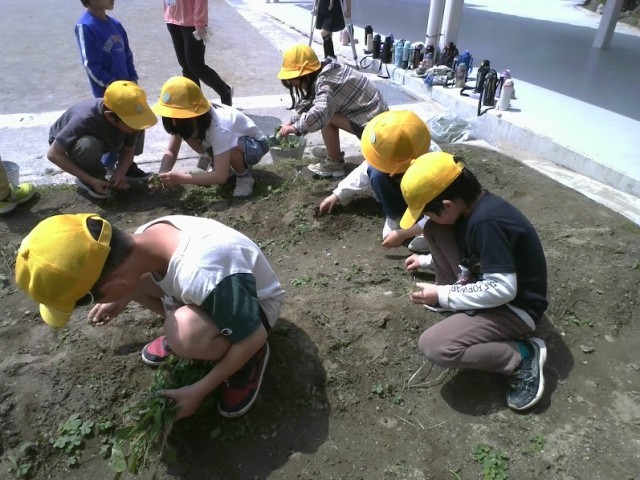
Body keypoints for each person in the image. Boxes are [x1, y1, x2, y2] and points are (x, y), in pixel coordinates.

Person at [15, 213, 286, 420]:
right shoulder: (143, 237)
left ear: (116, 283)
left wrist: (198, 390)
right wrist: (122, 297)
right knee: (143, 287)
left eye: (91, 299)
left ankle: (248, 357)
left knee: (186, 335)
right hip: (217, 291)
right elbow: (131, 278)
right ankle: (191, 329)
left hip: (256, 311)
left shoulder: (203, 273)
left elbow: (253, 334)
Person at [400, 152, 548, 411]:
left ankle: (521, 355)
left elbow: (502, 289)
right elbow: (473, 254)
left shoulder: (487, 223)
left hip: (515, 307)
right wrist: (425, 261)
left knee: (435, 346)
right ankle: (455, 299)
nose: (427, 218)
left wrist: (442, 294)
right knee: (435, 230)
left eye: (428, 212)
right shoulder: (469, 209)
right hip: (490, 285)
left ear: (447, 205)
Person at [317, 110, 433, 249]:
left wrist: (405, 234)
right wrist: (337, 194)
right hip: (402, 191)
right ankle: (395, 214)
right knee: (376, 172)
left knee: (433, 226)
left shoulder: (435, 167)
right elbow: (364, 171)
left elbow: (443, 208)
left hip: (427, 202)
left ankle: (425, 227)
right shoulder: (396, 149)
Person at [277, 44, 388, 179]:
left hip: (377, 131)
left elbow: (320, 112)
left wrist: (296, 128)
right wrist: (290, 122)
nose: (293, 84)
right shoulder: (326, 69)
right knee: (327, 112)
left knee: (327, 116)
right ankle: (333, 154)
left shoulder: (326, 82)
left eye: (294, 81)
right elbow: (310, 100)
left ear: (305, 75)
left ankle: (335, 164)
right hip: (376, 121)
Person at [153, 76, 269, 197]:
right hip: (228, 142)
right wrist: (163, 174)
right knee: (188, 135)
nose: (173, 123)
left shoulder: (220, 129)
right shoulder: (186, 121)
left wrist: (182, 178)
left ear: (192, 116)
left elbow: (220, 177)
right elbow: (171, 151)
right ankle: (220, 165)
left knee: (230, 147)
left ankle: (244, 177)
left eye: (177, 119)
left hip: (254, 145)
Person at [75, 0, 150, 178]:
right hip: (108, 92)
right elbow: (90, 64)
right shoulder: (85, 26)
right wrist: (111, 84)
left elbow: (127, 55)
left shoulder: (116, 24)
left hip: (128, 88)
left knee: (135, 123)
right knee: (114, 130)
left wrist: (133, 79)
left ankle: (127, 164)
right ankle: (107, 168)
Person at [47, 81, 157, 199]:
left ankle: (126, 169)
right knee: (88, 145)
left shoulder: (127, 119)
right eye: (131, 122)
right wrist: (90, 180)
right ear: (110, 116)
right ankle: (92, 177)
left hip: (106, 137)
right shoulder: (83, 119)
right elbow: (54, 154)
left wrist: (121, 171)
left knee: (138, 126)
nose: (136, 127)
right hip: (70, 145)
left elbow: (128, 150)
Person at [164, 0, 233, 106]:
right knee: (185, 66)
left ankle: (225, 92)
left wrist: (200, 22)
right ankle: (195, 102)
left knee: (196, 66)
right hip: (172, 19)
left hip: (192, 23)